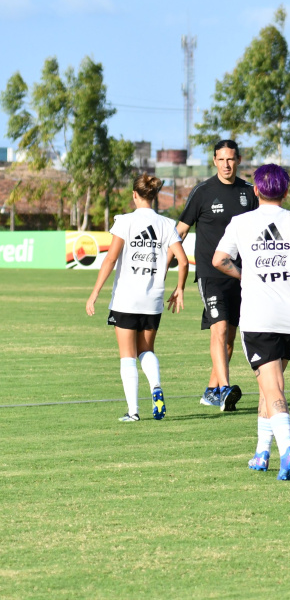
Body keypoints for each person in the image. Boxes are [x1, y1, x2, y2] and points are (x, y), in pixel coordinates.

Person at [212, 164, 290, 481]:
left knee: (271, 384)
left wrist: (243, 274)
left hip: (260, 313)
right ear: (286, 192)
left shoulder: (242, 222)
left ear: (256, 191)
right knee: (269, 383)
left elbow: (218, 260)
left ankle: (287, 449)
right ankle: (262, 452)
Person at [85, 174, 188, 422]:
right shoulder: (166, 224)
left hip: (126, 299)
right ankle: (155, 386)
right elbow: (183, 261)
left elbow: (110, 259)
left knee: (127, 356)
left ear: (134, 195)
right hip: (153, 300)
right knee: (146, 351)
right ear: (154, 197)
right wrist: (180, 289)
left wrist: (95, 293)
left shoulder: (125, 222)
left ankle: (133, 412)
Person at [176, 140, 259, 411]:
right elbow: (180, 231)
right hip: (211, 273)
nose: (226, 164)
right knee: (219, 329)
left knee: (230, 339)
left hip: (241, 275)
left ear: (238, 160)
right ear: (214, 161)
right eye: (221, 159)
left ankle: (211, 391)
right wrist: (165, 269)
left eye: (231, 159)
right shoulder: (202, 192)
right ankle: (224, 391)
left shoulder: (249, 192)